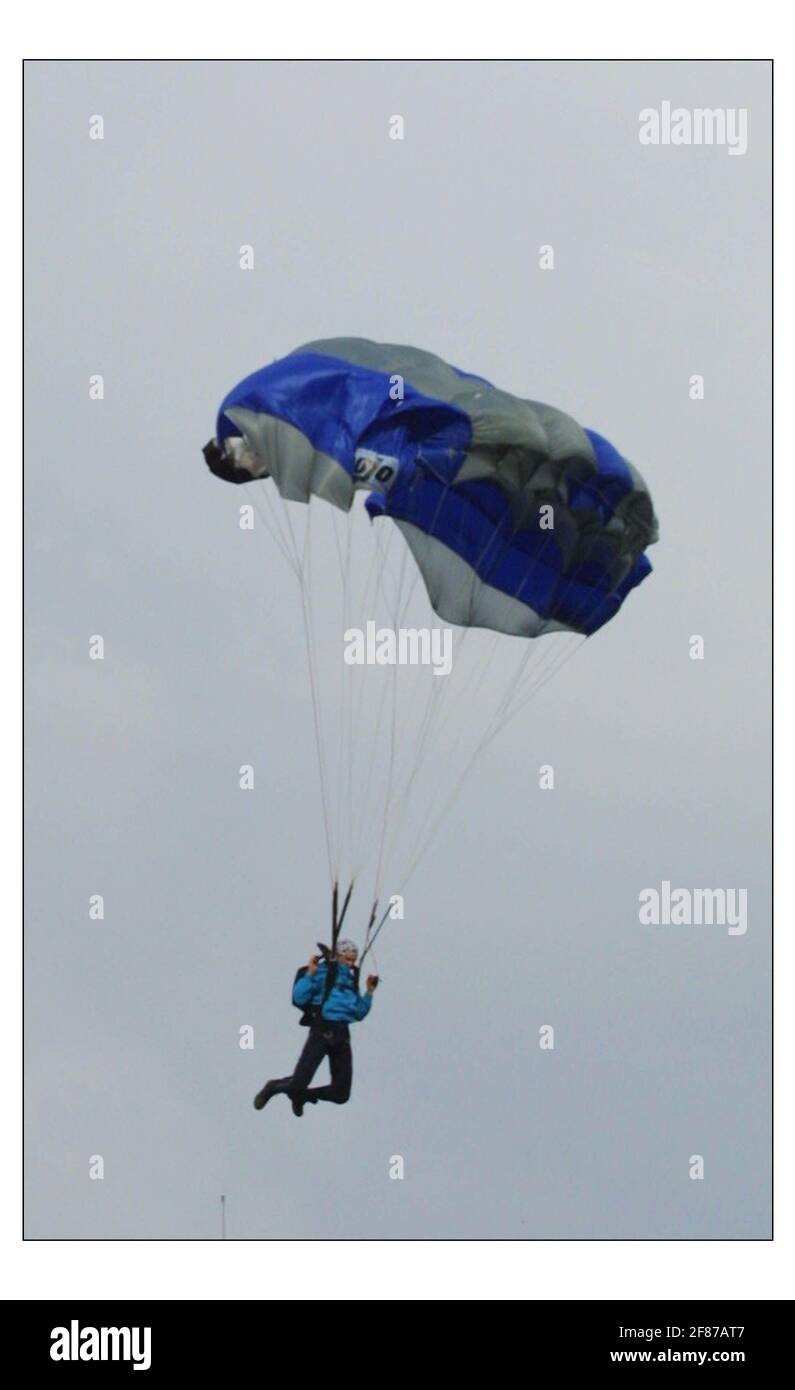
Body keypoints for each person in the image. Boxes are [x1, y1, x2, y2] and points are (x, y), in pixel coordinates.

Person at [254, 940, 378, 1117]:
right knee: (298, 1084)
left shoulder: (351, 983)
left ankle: (302, 1096)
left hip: (342, 1035)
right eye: (347, 959)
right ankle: (273, 1087)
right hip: (322, 1030)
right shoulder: (323, 973)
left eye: (353, 960)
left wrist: (369, 992)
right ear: (338, 956)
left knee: (341, 1093)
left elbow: (358, 1013)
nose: (350, 964)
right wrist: (310, 974)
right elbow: (299, 997)